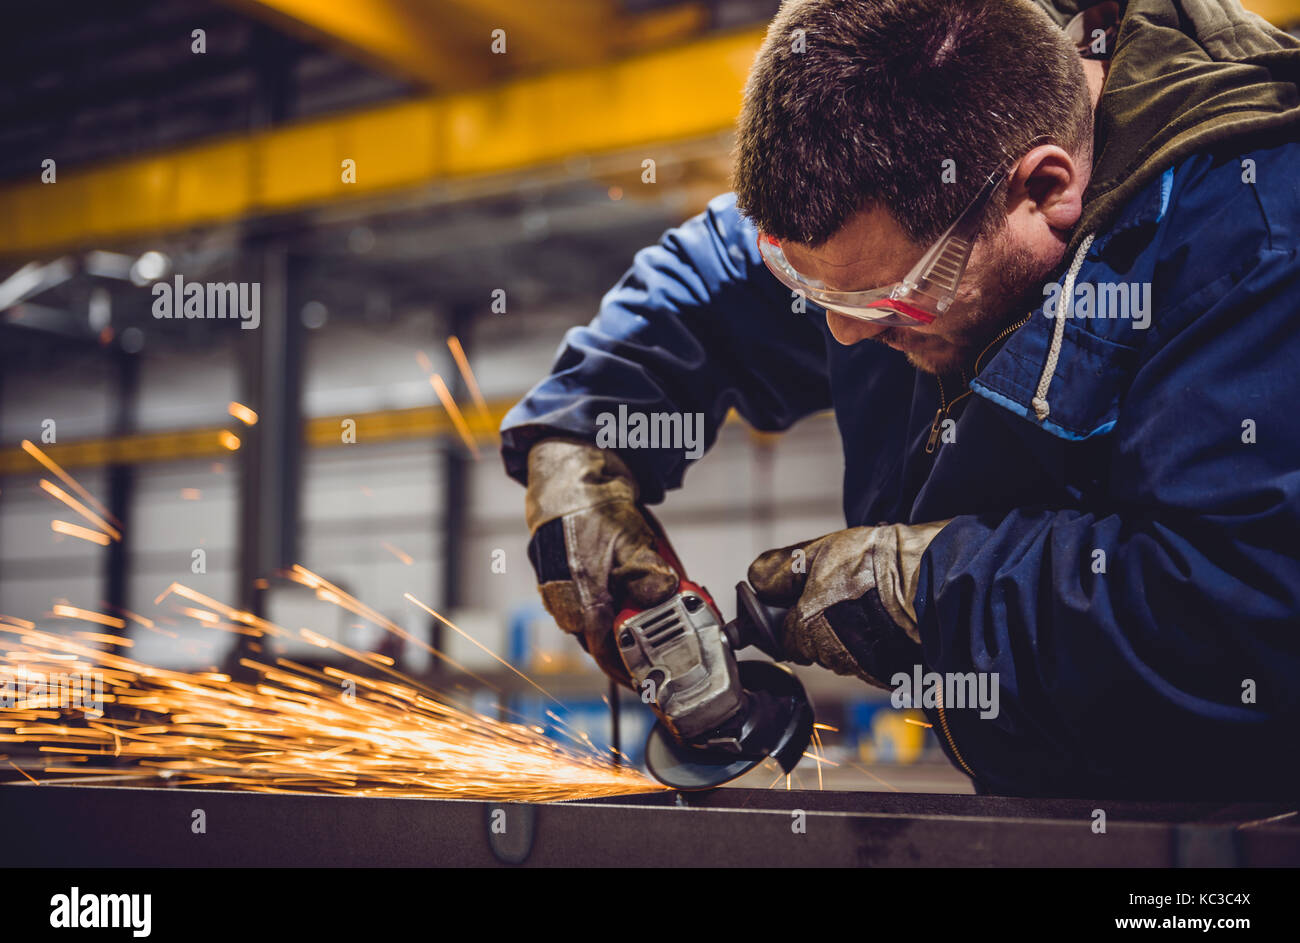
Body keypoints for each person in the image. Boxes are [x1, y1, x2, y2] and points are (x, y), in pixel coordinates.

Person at [499, 0, 1300, 798]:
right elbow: (706, 278)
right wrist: (576, 448)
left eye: (892, 304)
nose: (844, 336)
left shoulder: (1253, 240)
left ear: (1045, 188)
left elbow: (1244, 618)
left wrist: (919, 587)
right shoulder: (885, 197)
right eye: (812, 292)